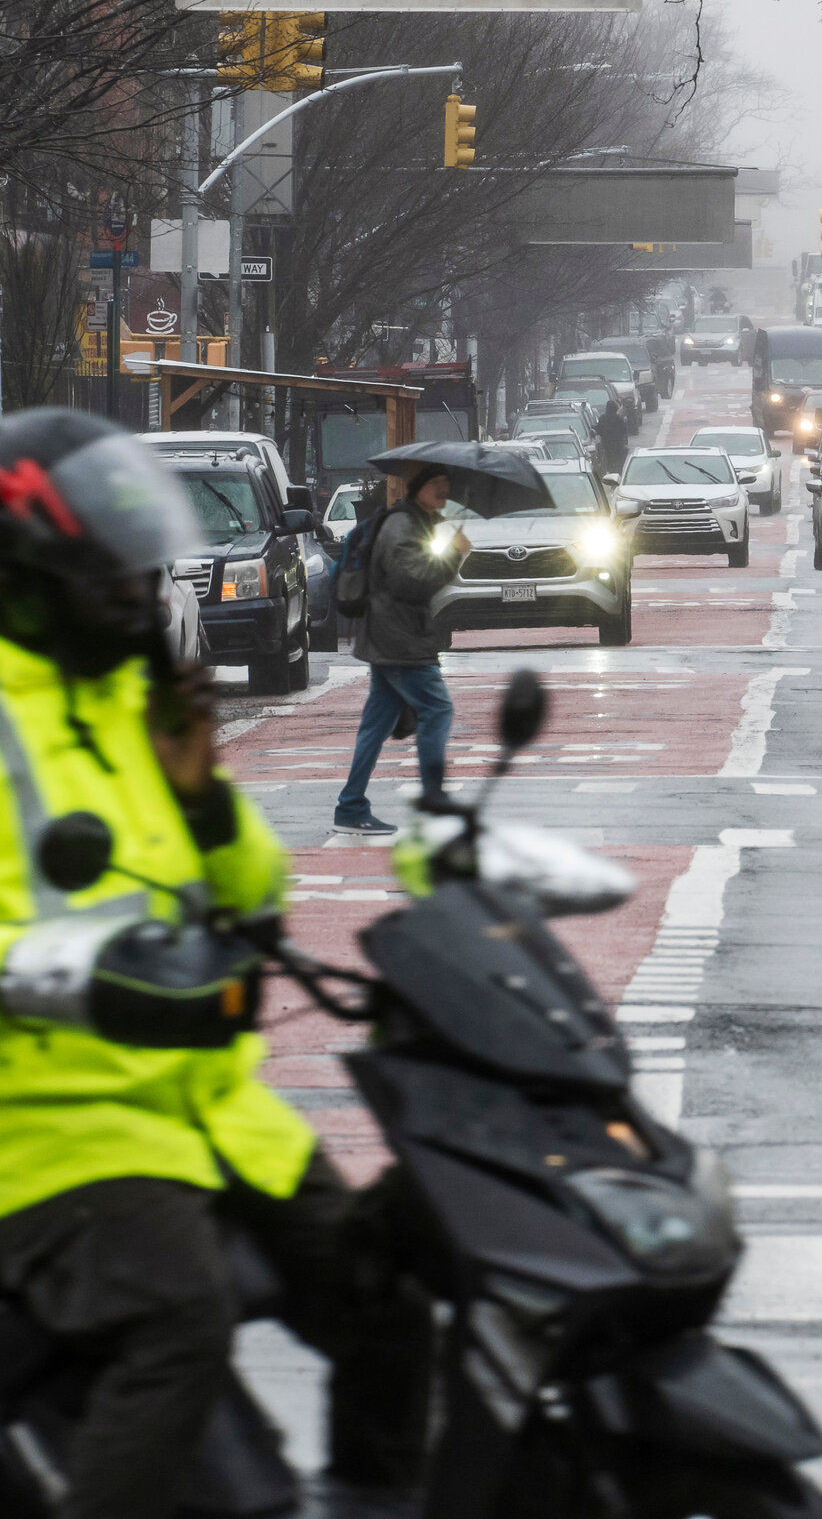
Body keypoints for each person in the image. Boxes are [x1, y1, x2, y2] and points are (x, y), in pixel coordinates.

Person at [0, 411, 430, 1519]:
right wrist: (82, 974)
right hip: (51, 1132)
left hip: (209, 1113)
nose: (140, 605)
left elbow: (245, 899)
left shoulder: (127, 713)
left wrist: (197, 791)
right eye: (114, 583)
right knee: (176, 1320)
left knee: (390, 1289)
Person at [332, 468, 469, 836]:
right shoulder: (402, 526)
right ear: (419, 489)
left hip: (390, 636)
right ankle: (433, 799)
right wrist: (453, 557)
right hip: (400, 639)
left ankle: (350, 806)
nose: (444, 490)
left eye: (447, 484)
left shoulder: (413, 523)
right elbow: (410, 583)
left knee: (375, 725)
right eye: (436, 484)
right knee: (438, 709)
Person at [597, 393, 631, 477]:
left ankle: (611, 473)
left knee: (609, 462)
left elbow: (599, 431)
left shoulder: (602, 418)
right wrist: (624, 442)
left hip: (607, 445)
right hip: (618, 445)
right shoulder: (619, 419)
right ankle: (618, 474)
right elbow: (624, 431)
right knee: (619, 462)